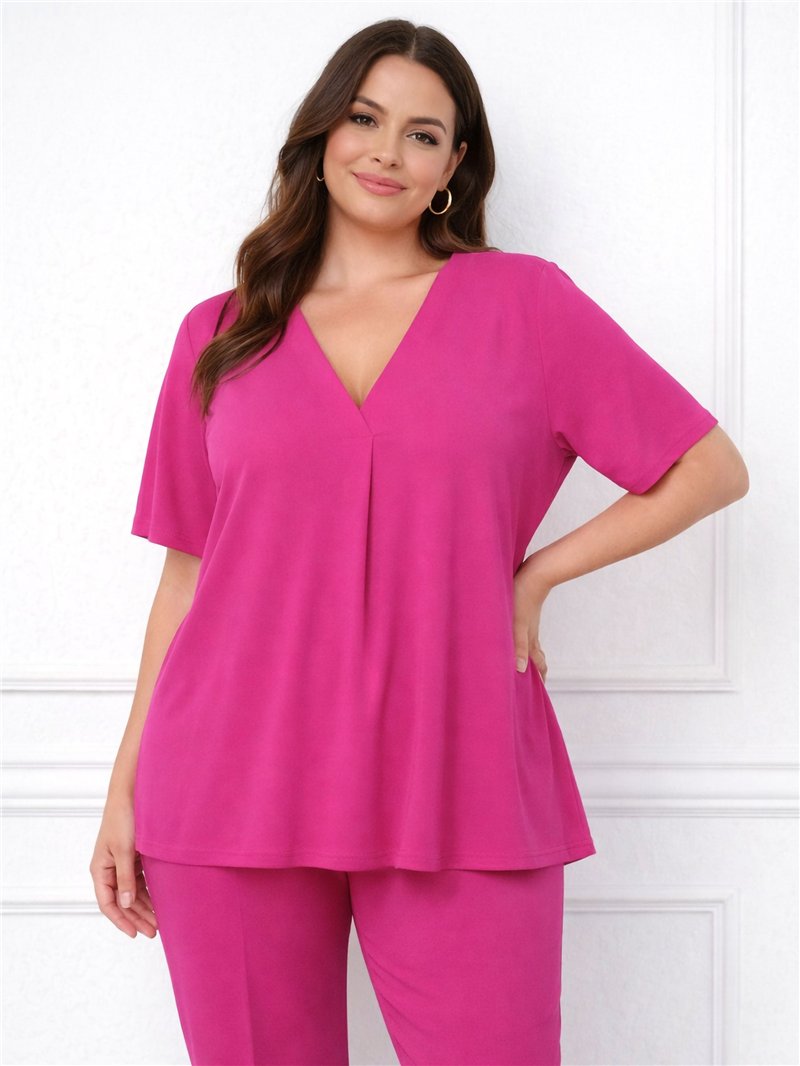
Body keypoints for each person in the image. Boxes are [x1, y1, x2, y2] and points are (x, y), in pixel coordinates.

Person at [89, 17, 749, 1066]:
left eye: (422, 134)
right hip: (224, 778)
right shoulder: (220, 333)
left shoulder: (523, 304)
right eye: (364, 118)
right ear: (321, 132)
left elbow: (705, 467)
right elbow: (187, 574)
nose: (386, 152)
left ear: (453, 167)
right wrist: (124, 788)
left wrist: (534, 578)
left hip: (460, 767)